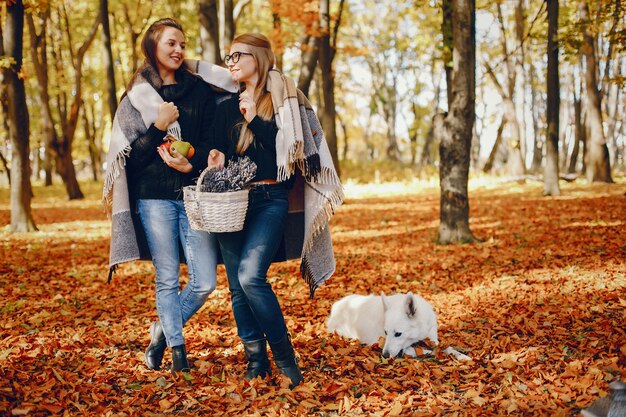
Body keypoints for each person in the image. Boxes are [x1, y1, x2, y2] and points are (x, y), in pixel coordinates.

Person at [208, 33, 343, 389]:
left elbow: (288, 158)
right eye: (228, 56)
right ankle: (256, 359)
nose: (231, 62)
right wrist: (218, 159)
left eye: (238, 55)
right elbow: (224, 152)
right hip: (233, 203)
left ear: (259, 57)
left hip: (271, 199)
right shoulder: (225, 105)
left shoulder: (283, 102)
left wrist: (255, 120)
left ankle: (285, 359)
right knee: (237, 287)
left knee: (251, 276)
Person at [102, 18, 236, 373]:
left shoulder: (200, 89)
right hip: (153, 199)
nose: (178, 50)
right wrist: (158, 126)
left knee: (205, 281)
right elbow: (128, 161)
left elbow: (212, 142)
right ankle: (178, 354)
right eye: (170, 44)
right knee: (165, 277)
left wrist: (189, 161)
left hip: (193, 194)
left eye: (182, 44)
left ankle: (161, 332)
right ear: (153, 48)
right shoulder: (136, 96)